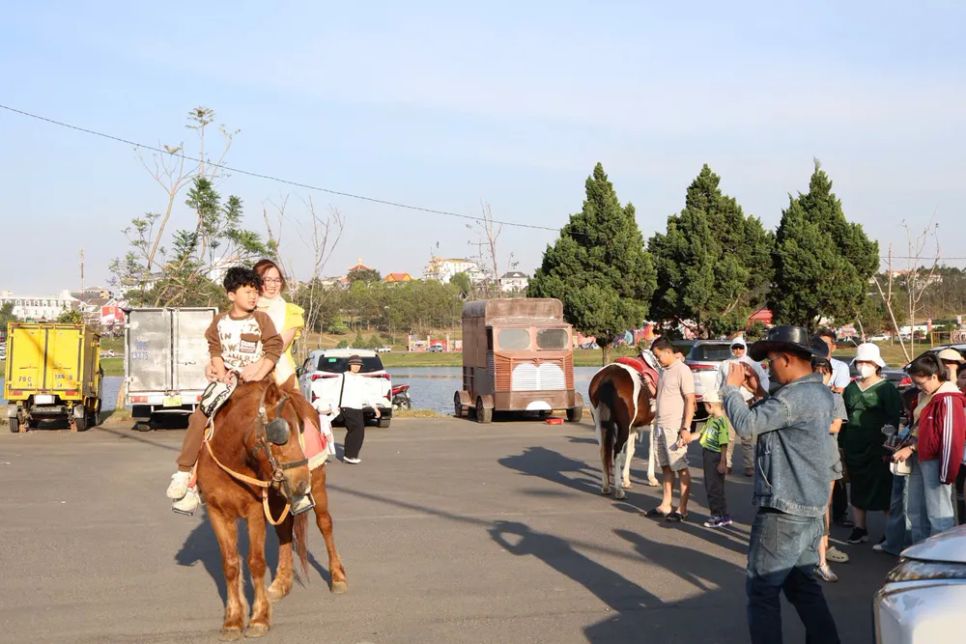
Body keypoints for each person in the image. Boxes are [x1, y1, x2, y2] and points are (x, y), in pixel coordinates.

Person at [722, 326, 839, 644]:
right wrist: (759, 391)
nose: (766, 366)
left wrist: (731, 390)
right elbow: (778, 419)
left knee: (761, 590)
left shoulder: (792, 398)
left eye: (770, 360)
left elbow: (747, 426)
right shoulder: (817, 393)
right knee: (803, 587)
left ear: (787, 359)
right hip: (809, 507)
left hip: (784, 508)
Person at [165, 267, 283, 513]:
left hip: (257, 383)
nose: (253, 297)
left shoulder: (261, 319)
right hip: (227, 383)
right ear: (231, 295)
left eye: (255, 292)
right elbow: (215, 350)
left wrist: (258, 372)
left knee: (282, 420)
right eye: (248, 291)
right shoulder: (219, 321)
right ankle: (185, 476)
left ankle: (296, 482)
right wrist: (218, 370)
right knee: (200, 418)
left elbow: (274, 348)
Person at [254, 258, 330, 468]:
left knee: (300, 420)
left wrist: (256, 369)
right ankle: (192, 477)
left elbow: (277, 346)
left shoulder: (291, 312)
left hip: (279, 375)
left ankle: (306, 474)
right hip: (243, 370)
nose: (272, 284)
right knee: (212, 415)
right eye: (266, 279)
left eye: (276, 279)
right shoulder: (245, 307)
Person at [892, 353, 966, 543]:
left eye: (920, 382)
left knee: (938, 515)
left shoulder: (949, 398)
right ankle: (920, 555)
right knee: (916, 510)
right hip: (921, 457)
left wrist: (946, 473)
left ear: (934, 376)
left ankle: (939, 561)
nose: (918, 386)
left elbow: (949, 438)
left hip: (936, 460)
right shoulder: (926, 395)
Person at [841, 343, 901, 545]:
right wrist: (841, 445)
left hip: (878, 447)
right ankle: (860, 528)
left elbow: (893, 419)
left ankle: (890, 532)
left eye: (867, 362)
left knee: (884, 488)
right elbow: (844, 418)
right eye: (860, 362)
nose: (863, 365)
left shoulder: (886, 389)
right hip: (853, 444)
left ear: (877, 364)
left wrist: (889, 446)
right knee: (857, 486)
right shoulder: (850, 388)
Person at [646, 336, 695, 522]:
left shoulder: (682, 370)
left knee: (680, 467)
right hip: (660, 425)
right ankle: (666, 504)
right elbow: (661, 395)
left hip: (675, 426)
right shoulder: (664, 370)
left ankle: (682, 508)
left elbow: (690, 399)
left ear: (668, 352)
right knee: (666, 467)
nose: (657, 359)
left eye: (658, 356)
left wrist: (685, 427)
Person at [812, 357, 849, 582]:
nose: (820, 376)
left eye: (824, 372)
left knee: (824, 505)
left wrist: (806, 425)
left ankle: (822, 554)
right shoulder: (800, 397)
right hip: (804, 460)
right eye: (815, 372)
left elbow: (835, 425)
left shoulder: (835, 398)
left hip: (827, 458)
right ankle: (816, 555)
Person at [719, 337, 769, 477]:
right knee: (728, 436)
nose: (738, 350)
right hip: (729, 403)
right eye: (735, 347)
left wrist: (758, 394)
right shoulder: (725, 364)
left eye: (740, 347)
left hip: (748, 402)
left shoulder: (752, 363)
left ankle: (749, 465)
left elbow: (763, 379)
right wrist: (719, 400)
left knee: (747, 436)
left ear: (745, 348)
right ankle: (727, 463)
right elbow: (719, 383)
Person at [684, 391, 731, 528]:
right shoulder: (712, 420)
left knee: (713, 487)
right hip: (708, 453)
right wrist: (689, 437)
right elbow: (702, 432)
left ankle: (717, 515)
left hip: (714, 456)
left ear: (710, 405)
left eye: (704, 406)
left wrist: (723, 461)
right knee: (714, 486)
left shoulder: (721, 422)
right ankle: (724, 515)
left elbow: (724, 443)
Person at [339, 354, 382, 464]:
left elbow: (367, 394)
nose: (357, 367)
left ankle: (351, 455)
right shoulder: (342, 377)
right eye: (354, 364)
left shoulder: (361, 379)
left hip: (358, 408)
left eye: (359, 365)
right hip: (346, 407)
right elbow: (334, 392)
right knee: (356, 430)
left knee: (358, 432)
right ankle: (350, 455)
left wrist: (375, 407)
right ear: (349, 365)